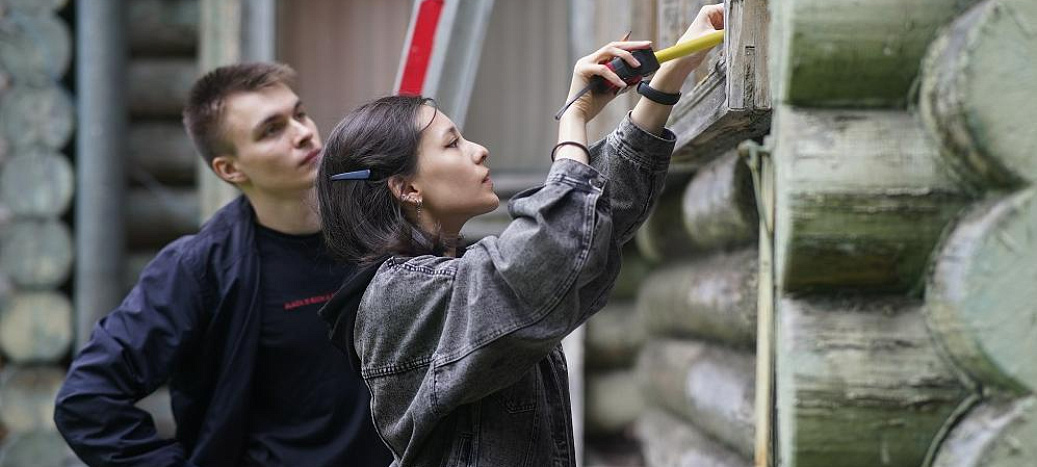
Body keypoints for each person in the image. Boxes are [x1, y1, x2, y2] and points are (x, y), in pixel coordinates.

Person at [315, 5, 724, 466]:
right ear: (407, 188)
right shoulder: (397, 298)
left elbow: (591, 226)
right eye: (452, 144)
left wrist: (668, 77)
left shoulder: (455, 274)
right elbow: (552, 249)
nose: (479, 150)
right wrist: (572, 123)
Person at [54, 63, 393, 467]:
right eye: (272, 130)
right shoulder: (200, 269)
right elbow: (85, 399)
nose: (303, 133)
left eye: (300, 114)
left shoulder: (382, 228)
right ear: (230, 169)